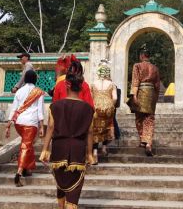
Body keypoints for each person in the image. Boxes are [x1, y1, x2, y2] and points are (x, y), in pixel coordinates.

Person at [39, 60, 94, 209]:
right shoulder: (88, 109)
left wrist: (45, 150)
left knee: (61, 182)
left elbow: (50, 128)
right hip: (78, 149)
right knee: (75, 187)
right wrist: (90, 154)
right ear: (81, 86)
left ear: (67, 85)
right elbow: (89, 132)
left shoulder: (55, 106)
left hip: (59, 147)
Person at [6, 70, 44, 187]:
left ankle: (28, 169)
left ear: (25, 79)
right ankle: (19, 172)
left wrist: (8, 124)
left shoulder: (19, 92)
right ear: (35, 80)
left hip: (19, 123)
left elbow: (14, 108)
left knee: (27, 144)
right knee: (26, 146)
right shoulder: (39, 92)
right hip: (31, 123)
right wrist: (42, 126)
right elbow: (40, 111)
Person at [129, 45, 160, 156]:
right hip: (151, 94)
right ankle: (148, 143)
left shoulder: (137, 66)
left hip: (141, 92)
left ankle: (143, 139)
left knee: (139, 118)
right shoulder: (155, 68)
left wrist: (134, 96)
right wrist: (155, 99)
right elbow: (157, 85)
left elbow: (135, 81)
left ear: (142, 56)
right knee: (149, 119)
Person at [90, 60, 117, 164]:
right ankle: (104, 147)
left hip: (96, 108)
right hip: (108, 108)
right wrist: (111, 105)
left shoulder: (93, 84)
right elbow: (115, 98)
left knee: (96, 129)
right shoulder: (111, 84)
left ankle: (95, 152)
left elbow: (91, 98)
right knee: (106, 127)